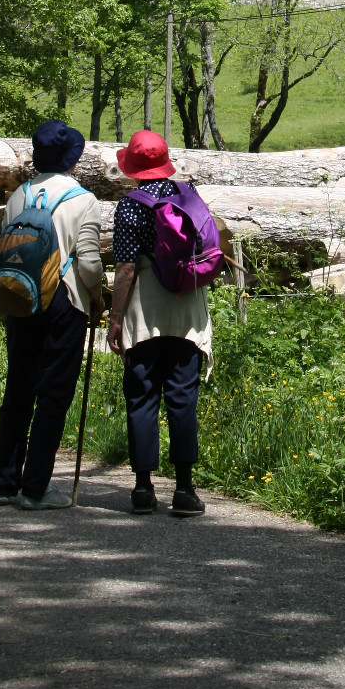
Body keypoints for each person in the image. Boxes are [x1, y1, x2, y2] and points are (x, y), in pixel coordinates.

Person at [0, 120, 104, 510]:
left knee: (18, 388)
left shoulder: (18, 195)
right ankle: (35, 488)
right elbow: (87, 263)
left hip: (20, 297)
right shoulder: (82, 200)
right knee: (53, 394)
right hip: (64, 302)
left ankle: (3, 483)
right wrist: (98, 298)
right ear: (72, 158)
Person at [108, 130, 212, 517]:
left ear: (133, 168)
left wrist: (115, 318)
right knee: (183, 397)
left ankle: (142, 487)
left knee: (142, 395)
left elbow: (125, 267)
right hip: (187, 307)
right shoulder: (189, 197)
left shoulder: (130, 206)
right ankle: (184, 489)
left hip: (143, 310)